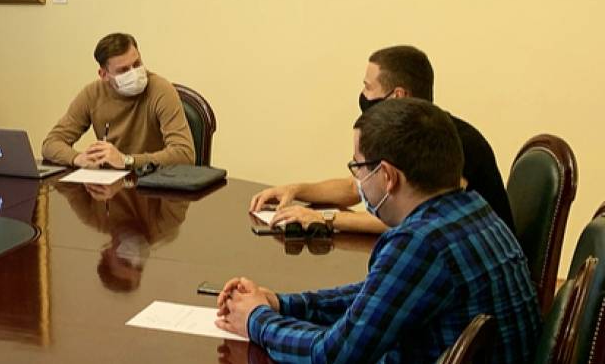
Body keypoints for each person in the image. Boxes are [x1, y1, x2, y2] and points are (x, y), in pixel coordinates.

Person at [216, 98, 539, 362]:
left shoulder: (421, 243)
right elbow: (377, 300)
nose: (356, 180)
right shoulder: (473, 209)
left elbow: (332, 355)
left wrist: (256, 320)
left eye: (357, 167)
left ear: (387, 176)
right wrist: (282, 304)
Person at [250, 45, 514, 234]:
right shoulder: (404, 135)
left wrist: (325, 218)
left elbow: (414, 218)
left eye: (368, 87)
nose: (363, 95)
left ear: (397, 96)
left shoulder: (450, 142)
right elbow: (359, 187)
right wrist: (296, 190)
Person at [42, 33, 194, 170]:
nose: (134, 73)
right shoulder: (92, 94)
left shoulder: (161, 90)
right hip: (110, 185)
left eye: (137, 64)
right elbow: (51, 143)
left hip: (154, 182)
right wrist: (77, 158)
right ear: (104, 75)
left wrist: (127, 160)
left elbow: (185, 154)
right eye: (123, 70)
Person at [55, 181, 188, 291]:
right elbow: (180, 176)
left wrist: (82, 163)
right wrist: (127, 177)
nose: (136, 258)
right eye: (139, 267)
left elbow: (61, 180)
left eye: (126, 262)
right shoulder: (166, 223)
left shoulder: (93, 216)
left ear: (107, 254)